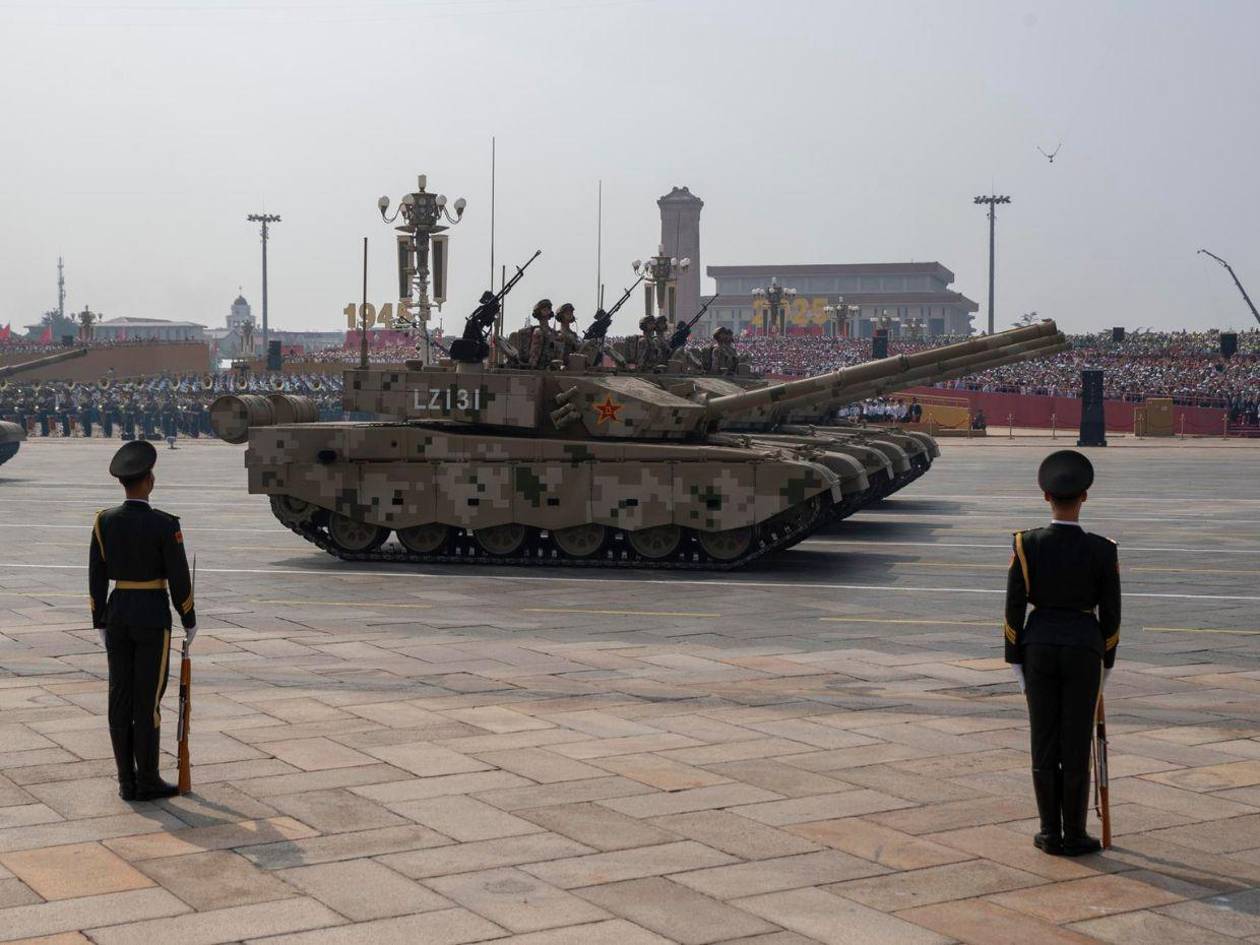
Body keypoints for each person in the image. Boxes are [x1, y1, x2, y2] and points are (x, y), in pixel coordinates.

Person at [1005, 449, 1120, 856]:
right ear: (1084, 496)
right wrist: (1106, 663)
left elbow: (1014, 609)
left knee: (1044, 741)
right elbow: (1111, 615)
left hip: (1038, 648)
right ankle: (1075, 833)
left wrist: (1015, 661)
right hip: (1084, 650)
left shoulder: (1027, 544)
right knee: (1076, 742)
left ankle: (1049, 832)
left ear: (1046, 496)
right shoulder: (1102, 550)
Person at [90, 440, 197, 801]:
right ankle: (147, 779)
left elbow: (96, 575)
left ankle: (126, 780)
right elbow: (178, 576)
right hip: (151, 613)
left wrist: (99, 620)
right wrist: (189, 616)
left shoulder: (104, 521)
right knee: (147, 700)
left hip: (118, 612)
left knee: (119, 697)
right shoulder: (164, 524)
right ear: (149, 480)